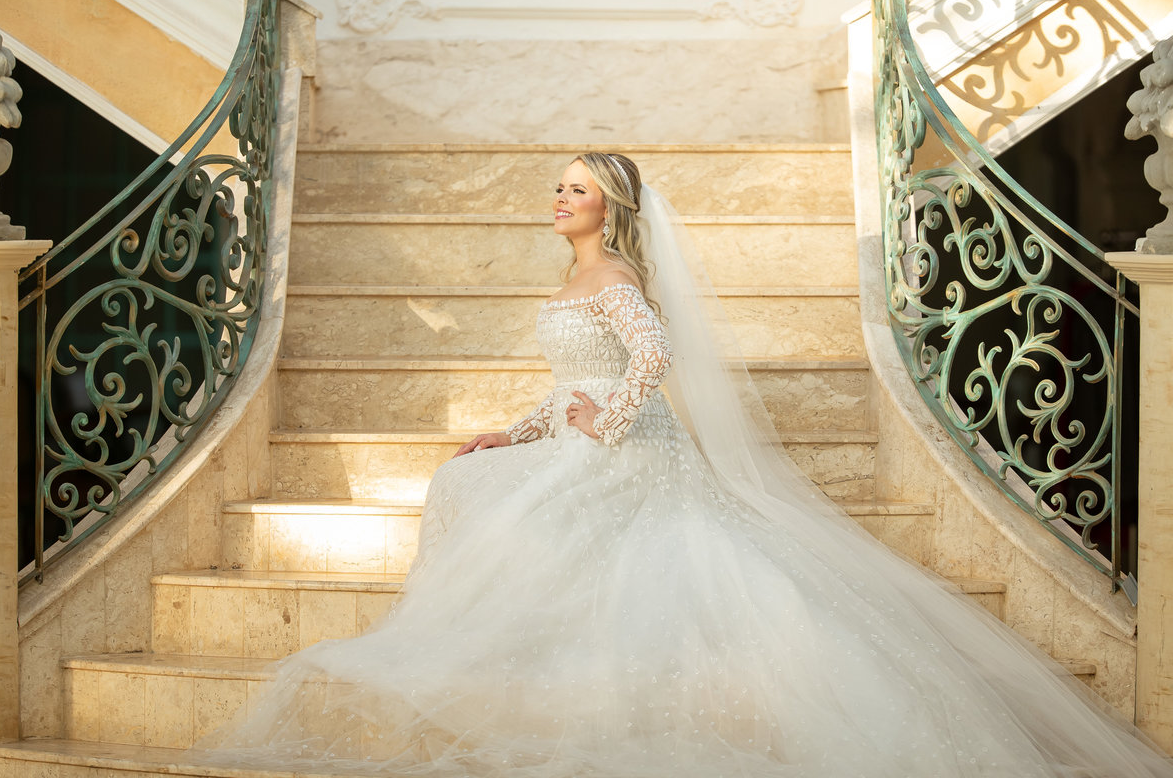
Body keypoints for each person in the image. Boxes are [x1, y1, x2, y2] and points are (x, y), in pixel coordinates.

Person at [200, 153, 1173, 777]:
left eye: (576, 190)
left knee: (508, 512)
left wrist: (609, 425)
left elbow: (650, 357)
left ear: (609, 208)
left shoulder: (615, 274)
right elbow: (575, 378)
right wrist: (516, 431)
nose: (559, 199)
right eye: (558, 187)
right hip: (583, 433)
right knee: (467, 476)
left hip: (627, 449)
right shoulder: (576, 275)